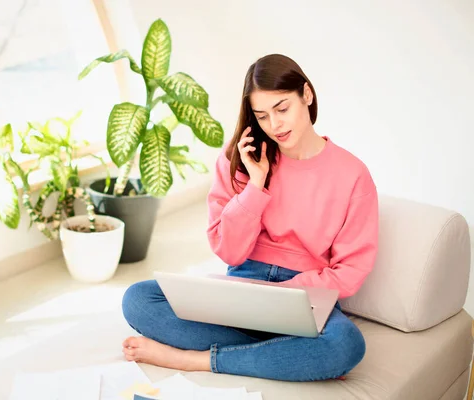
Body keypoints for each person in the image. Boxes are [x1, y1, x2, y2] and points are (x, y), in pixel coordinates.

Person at [120, 54, 379, 382]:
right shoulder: (240, 157)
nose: (275, 125)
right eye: (262, 116)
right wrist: (256, 186)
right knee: (139, 299)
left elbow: (350, 272)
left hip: (307, 295)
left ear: (307, 95)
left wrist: (283, 297)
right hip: (244, 285)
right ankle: (284, 354)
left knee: (345, 345)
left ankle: (196, 360)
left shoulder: (353, 175)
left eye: (282, 108)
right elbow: (229, 252)